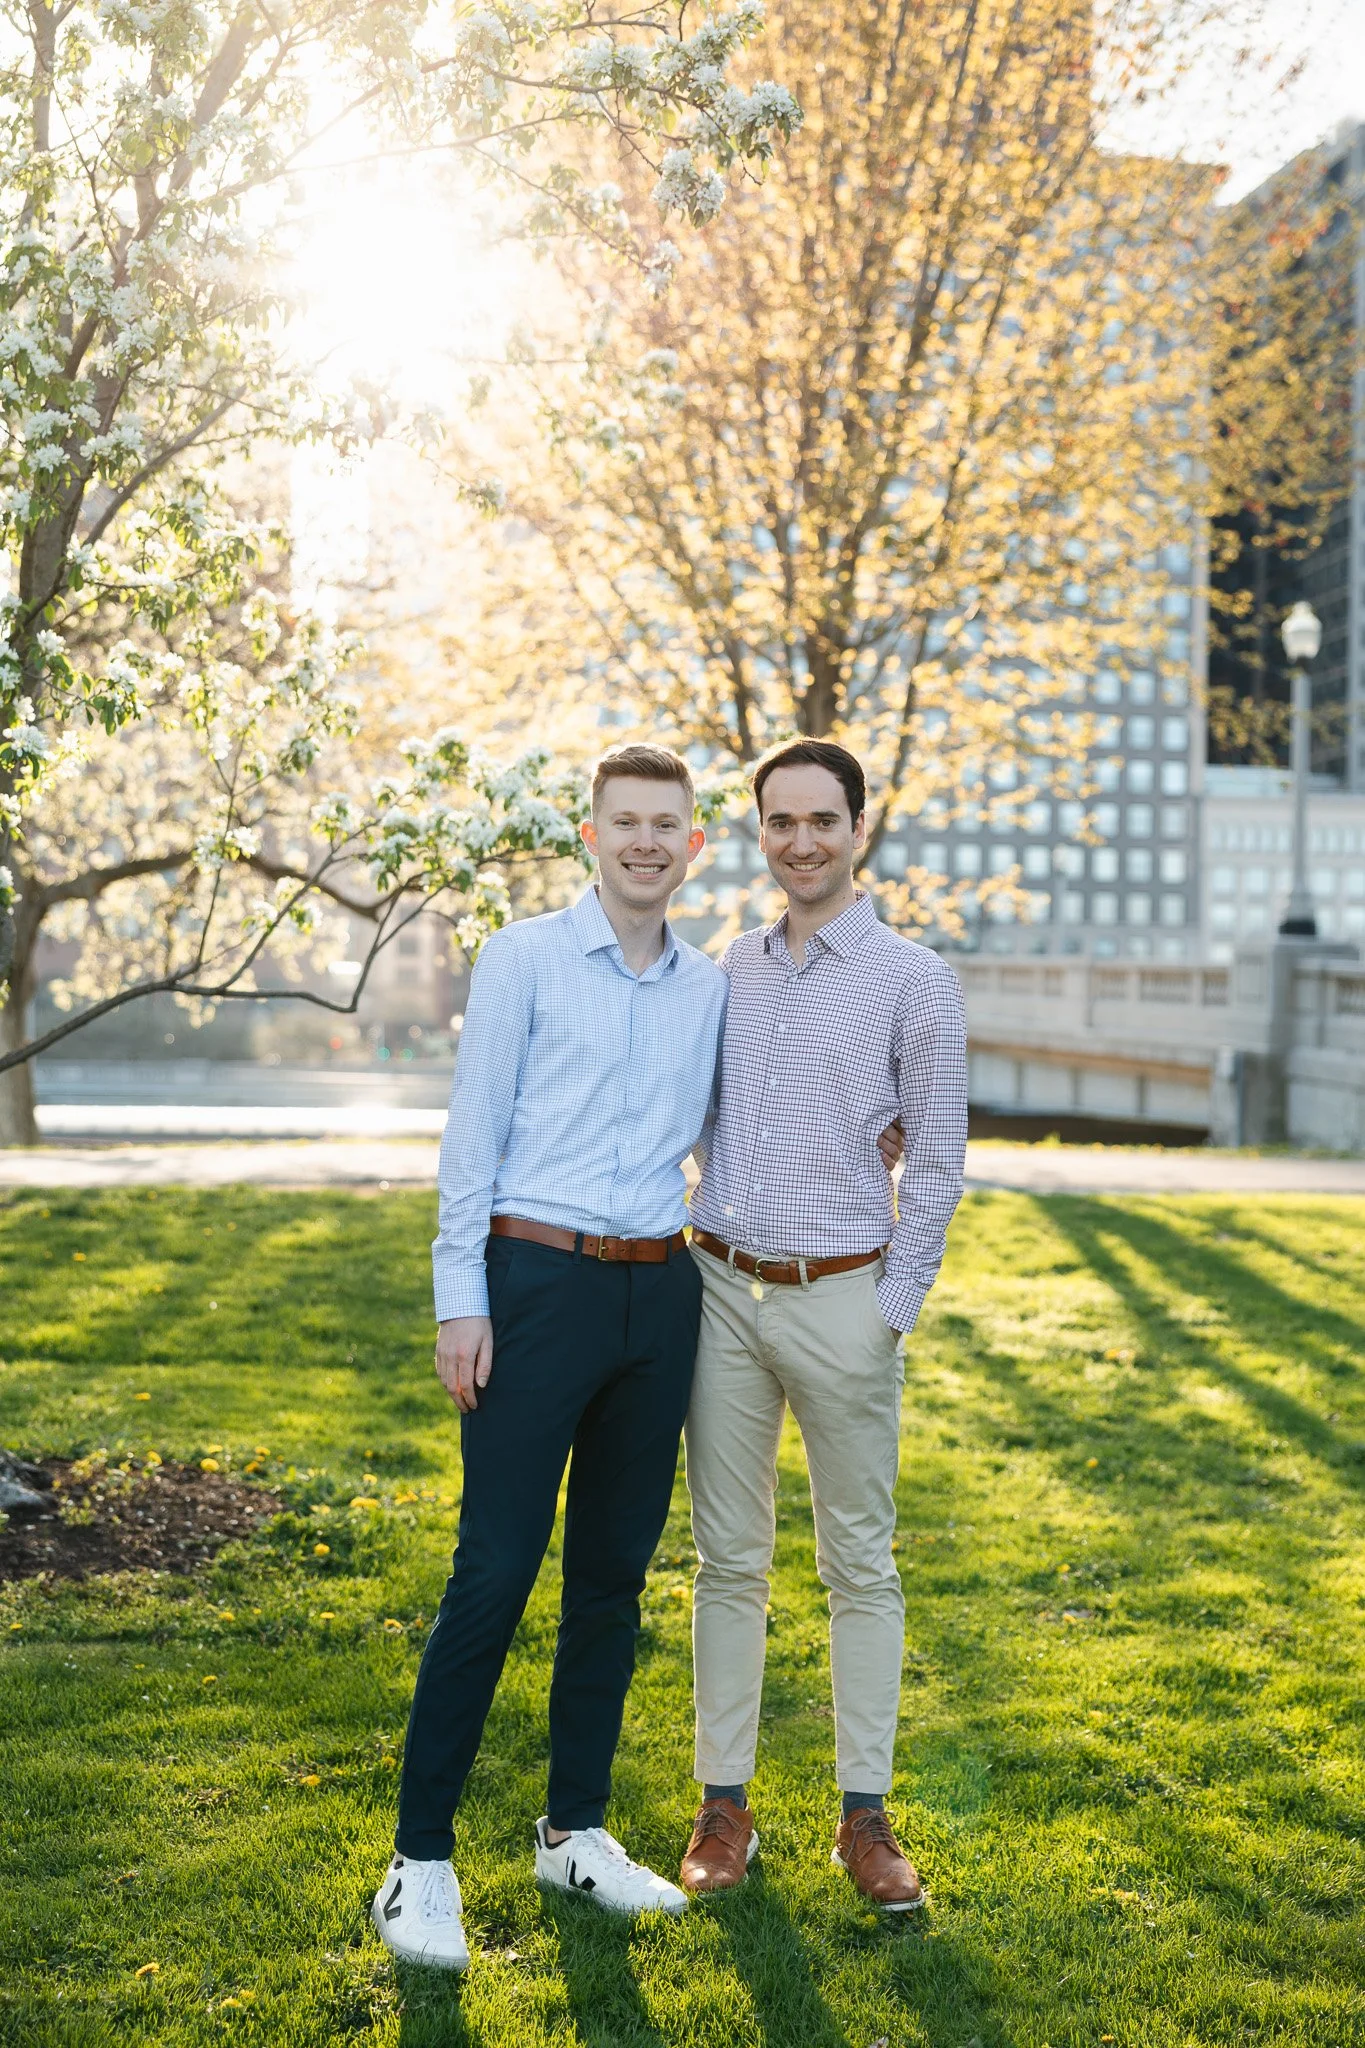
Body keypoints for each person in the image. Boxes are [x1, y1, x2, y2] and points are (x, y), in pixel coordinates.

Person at [372, 744, 726, 1969]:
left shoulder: (709, 986)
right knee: (495, 1567)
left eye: (666, 824)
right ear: (591, 835)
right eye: (626, 821)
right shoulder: (522, 957)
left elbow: (742, 1126)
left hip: (658, 1295)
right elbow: (469, 1141)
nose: (646, 841)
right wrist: (458, 1300)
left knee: (613, 1580)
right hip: (534, 1285)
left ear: (694, 844)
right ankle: (418, 1860)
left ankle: (574, 1829)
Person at [678, 738, 967, 1912]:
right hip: (721, 1294)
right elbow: (688, 1113)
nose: (801, 842)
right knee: (726, 1560)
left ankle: (864, 1817)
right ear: (761, 833)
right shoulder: (726, 969)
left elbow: (937, 1161)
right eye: (781, 821)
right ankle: (724, 1806)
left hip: (847, 1296)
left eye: (822, 821)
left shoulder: (915, 980)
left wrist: (888, 1311)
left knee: (861, 1563)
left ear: (858, 829)